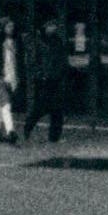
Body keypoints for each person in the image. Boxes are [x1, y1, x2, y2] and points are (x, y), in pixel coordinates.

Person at [31, 16, 69, 144]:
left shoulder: (57, 40)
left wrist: (63, 71)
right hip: (45, 79)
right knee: (42, 106)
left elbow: (62, 58)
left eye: (55, 25)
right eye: (52, 25)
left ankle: (54, 137)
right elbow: (34, 60)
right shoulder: (39, 41)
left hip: (56, 78)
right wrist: (41, 75)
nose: (55, 27)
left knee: (57, 108)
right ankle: (30, 126)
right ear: (45, 26)